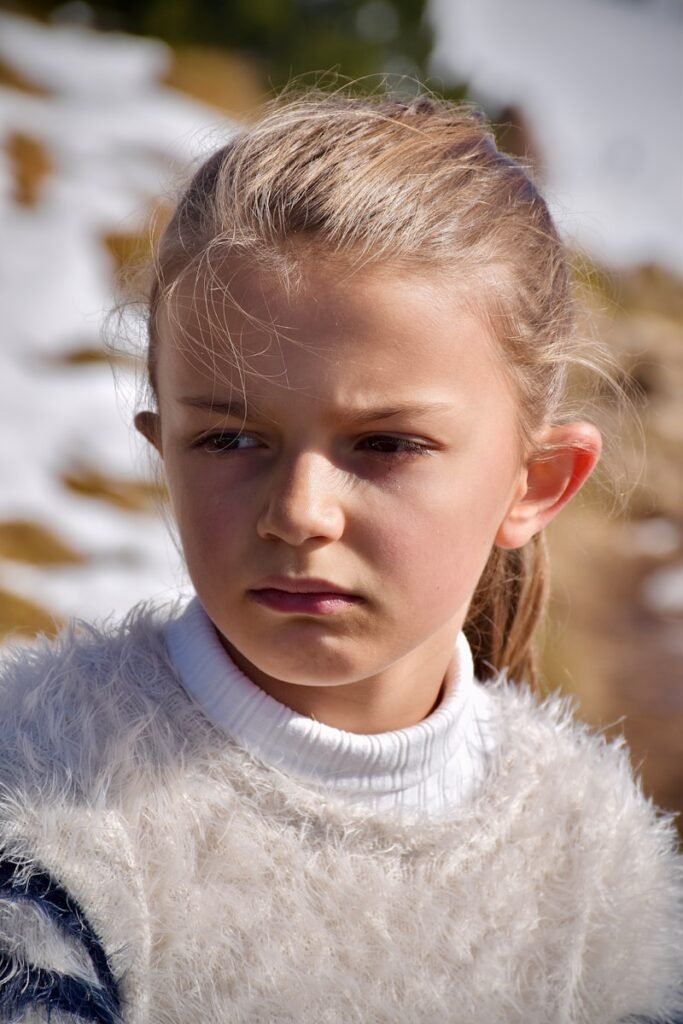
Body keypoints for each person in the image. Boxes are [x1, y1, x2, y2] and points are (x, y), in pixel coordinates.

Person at [0, 88, 681, 1024]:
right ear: (163, 451)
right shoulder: (42, 798)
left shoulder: (595, 859)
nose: (298, 513)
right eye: (230, 440)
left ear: (534, 483)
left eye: (385, 444)